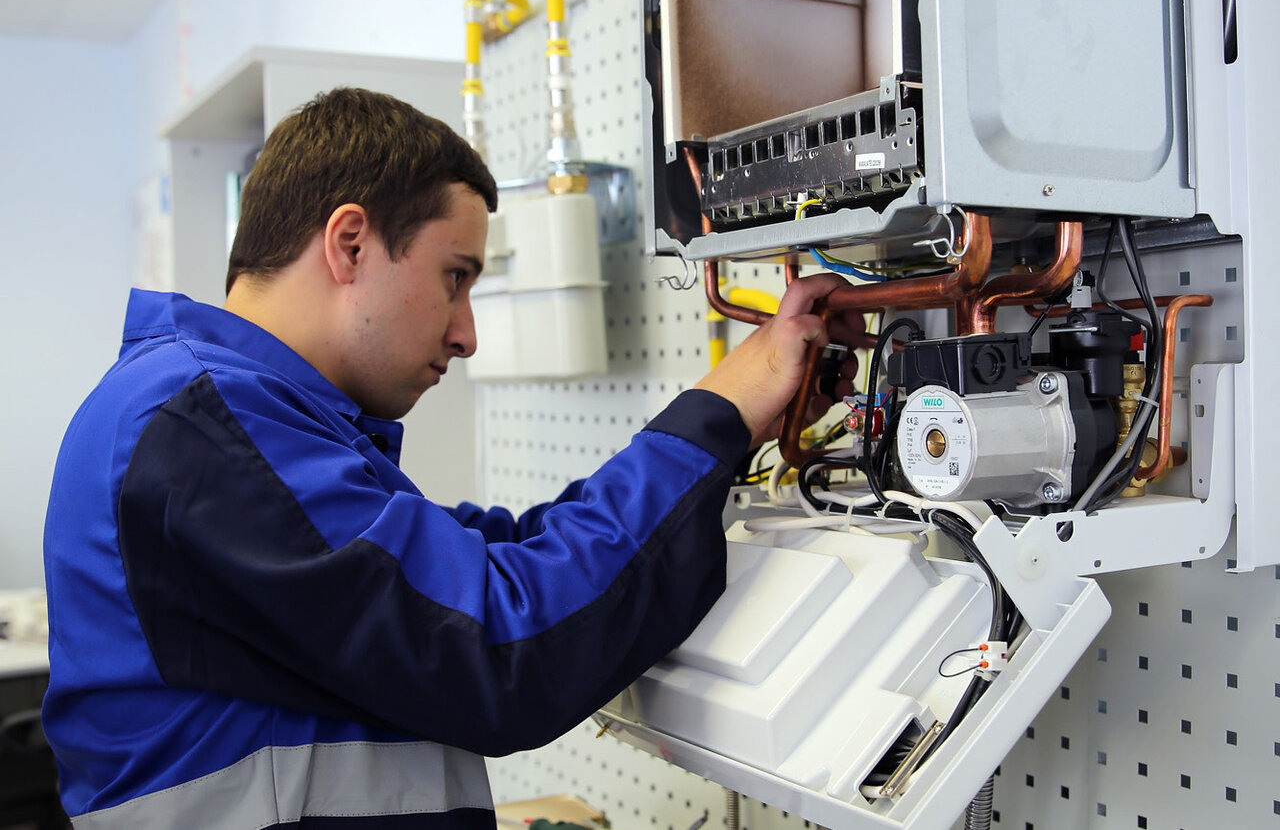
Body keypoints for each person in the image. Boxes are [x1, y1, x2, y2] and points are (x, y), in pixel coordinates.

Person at [43, 87, 858, 829]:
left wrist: (726, 431)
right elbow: (496, 644)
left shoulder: (234, 417)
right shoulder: (198, 426)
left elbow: (491, 557)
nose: (466, 334)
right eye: (454, 277)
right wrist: (716, 413)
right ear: (350, 244)